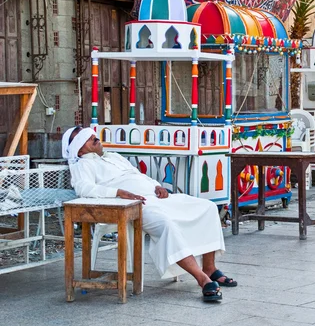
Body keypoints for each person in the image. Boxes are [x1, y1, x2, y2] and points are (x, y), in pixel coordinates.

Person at [62, 126, 237, 302]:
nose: (94, 138)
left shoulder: (113, 157)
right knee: (166, 224)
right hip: (135, 206)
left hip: (157, 197)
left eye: (93, 135)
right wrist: (118, 192)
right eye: (87, 138)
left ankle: (210, 268)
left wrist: (157, 185)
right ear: (78, 147)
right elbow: (83, 188)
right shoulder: (83, 164)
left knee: (207, 207)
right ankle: (202, 278)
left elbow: (138, 175)